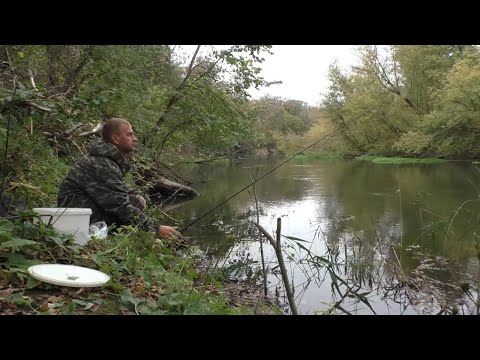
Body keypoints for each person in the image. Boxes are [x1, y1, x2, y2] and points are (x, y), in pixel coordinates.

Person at [57, 117, 181, 240]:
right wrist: (156, 228)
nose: (135, 139)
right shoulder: (102, 164)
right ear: (115, 139)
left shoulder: (106, 160)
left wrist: (135, 194)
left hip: (82, 211)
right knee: (129, 207)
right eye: (130, 135)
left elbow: (114, 188)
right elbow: (119, 206)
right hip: (75, 218)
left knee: (135, 200)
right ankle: (129, 238)